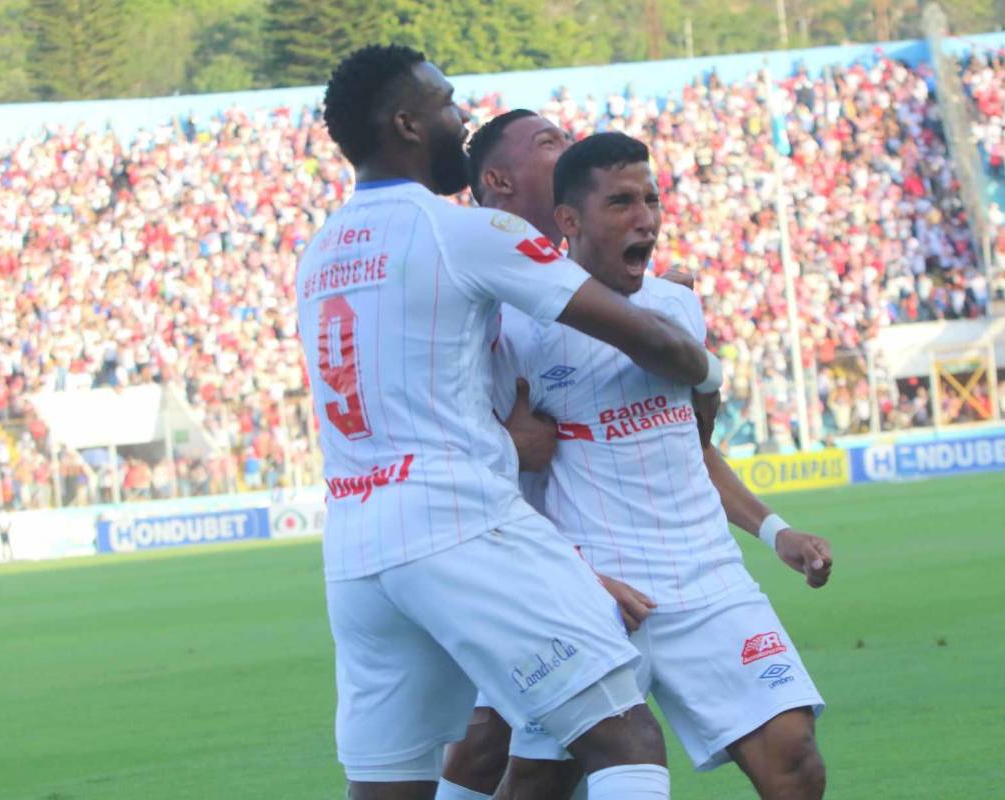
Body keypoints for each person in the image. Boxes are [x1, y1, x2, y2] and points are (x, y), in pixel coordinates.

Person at [301, 46, 723, 800]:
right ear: (406, 123)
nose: (460, 121)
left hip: (357, 549)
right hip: (457, 524)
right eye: (446, 103)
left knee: (396, 785)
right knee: (623, 736)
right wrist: (706, 368)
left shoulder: (321, 250)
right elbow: (644, 335)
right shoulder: (458, 231)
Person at [439, 128, 833, 800]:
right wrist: (572, 573)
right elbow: (489, 471)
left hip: (706, 577)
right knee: (530, 780)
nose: (645, 217)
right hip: (594, 593)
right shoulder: (514, 328)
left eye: (651, 199)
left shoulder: (676, 307)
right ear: (569, 221)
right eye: (621, 202)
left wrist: (776, 532)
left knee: (793, 755)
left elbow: (690, 445)